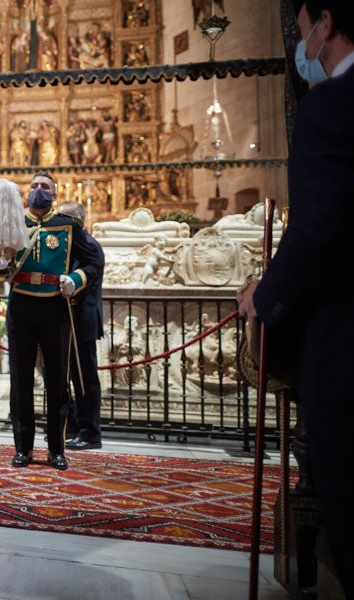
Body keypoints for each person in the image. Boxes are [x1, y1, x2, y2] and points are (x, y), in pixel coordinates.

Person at [236, 1, 354, 595]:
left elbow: (319, 231)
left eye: (304, 26)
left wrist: (265, 294)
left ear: (325, 25)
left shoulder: (330, 107)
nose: (303, 41)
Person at [0, 173, 103, 471]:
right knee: (20, 380)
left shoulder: (67, 225)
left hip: (55, 307)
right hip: (22, 307)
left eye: (45, 188)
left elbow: (95, 261)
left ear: (54, 195)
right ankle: (23, 448)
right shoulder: (16, 223)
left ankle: (56, 448)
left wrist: (76, 279)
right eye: (34, 186)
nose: (38, 191)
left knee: (57, 381)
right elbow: (2, 268)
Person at [56, 201, 106, 451]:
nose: (58, 221)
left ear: (76, 220)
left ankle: (90, 432)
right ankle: (73, 427)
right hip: (69, 321)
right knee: (67, 377)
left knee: (85, 379)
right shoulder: (72, 244)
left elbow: (86, 280)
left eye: (62, 218)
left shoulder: (89, 245)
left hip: (82, 320)